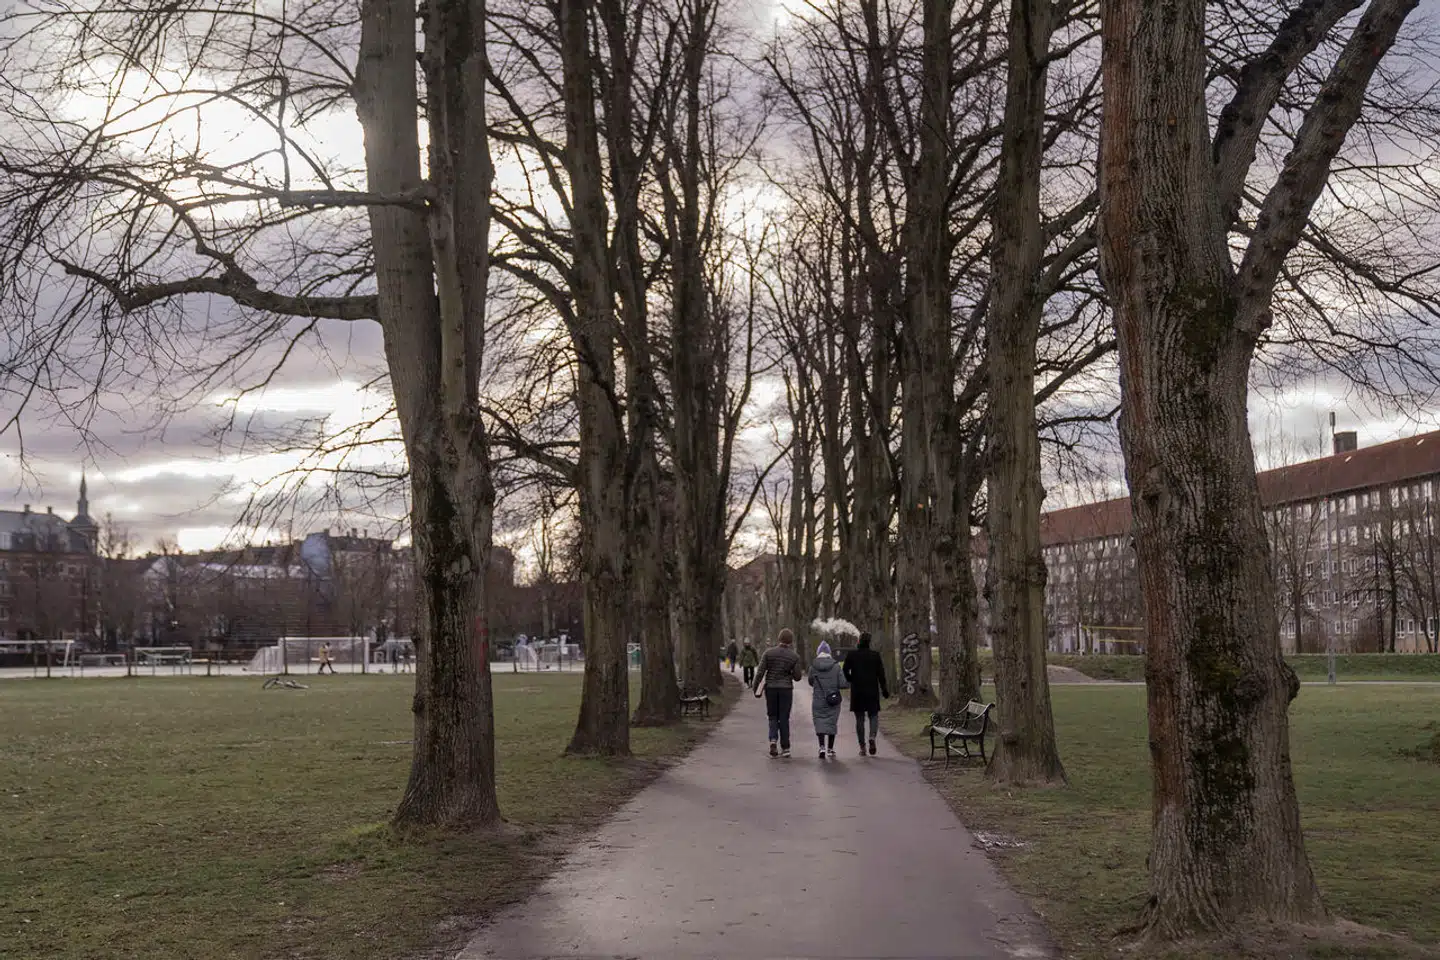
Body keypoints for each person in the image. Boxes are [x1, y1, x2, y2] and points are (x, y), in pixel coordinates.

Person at [755, 628, 803, 758]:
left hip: (771, 688)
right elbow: (798, 677)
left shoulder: (768, 653)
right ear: (791, 641)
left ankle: (773, 740)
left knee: (772, 716)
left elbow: (760, 672)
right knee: (784, 718)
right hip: (786, 689)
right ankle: (786, 748)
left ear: (779, 639)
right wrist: (790, 672)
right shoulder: (794, 656)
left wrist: (756, 688)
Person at [842, 631, 890, 756]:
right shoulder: (875, 655)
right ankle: (872, 737)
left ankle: (862, 747)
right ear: (869, 642)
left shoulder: (852, 655)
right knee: (873, 715)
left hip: (857, 690)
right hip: (872, 689)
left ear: (859, 641)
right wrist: (884, 689)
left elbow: (845, 669)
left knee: (859, 718)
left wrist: (851, 679)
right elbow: (881, 674)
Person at [807, 641, 847, 759]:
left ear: (818, 652)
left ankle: (821, 747)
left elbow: (810, 681)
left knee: (819, 722)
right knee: (831, 723)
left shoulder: (813, 666)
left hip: (818, 700)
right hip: (832, 700)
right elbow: (843, 684)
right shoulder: (836, 666)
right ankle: (830, 748)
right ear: (829, 652)